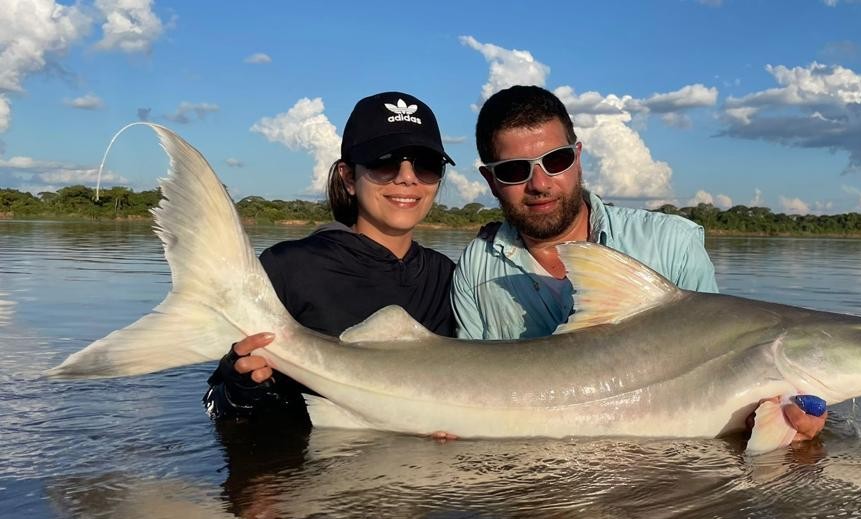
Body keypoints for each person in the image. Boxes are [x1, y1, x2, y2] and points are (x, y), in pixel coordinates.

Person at [451, 85, 826, 442]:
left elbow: (723, 367)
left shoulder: (672, 243)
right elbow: (468, 384)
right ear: (489, 179)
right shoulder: (475, 268)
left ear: (578, 158)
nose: (540, 183)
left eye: (556, 160)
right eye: (514, 170)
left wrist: (777, 416)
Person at [203, 91, 457, 424]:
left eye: (426, 165)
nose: (407, 177)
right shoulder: (288, 268)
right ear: (348, 177)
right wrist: (239, 388)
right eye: (384, 161)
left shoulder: (450, 278)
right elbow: (214, 403)